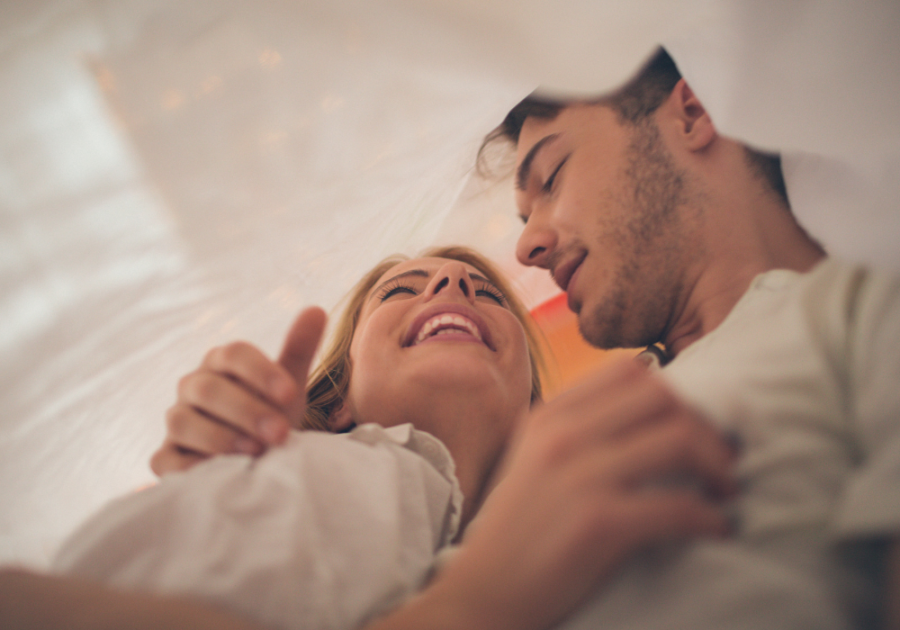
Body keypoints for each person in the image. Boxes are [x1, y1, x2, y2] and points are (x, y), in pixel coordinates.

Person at [151, 47, 900, 629]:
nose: (527, 251)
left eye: (550, 174)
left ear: (692, 112)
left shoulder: (860, 312)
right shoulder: (495, 489)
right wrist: (268, 479)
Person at [0, 245, 736, 630]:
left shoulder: (555, 531)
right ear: (339, 395)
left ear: (532, 408)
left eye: (483, 292)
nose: (450, 285)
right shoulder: (305, 468)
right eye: (401, 290)